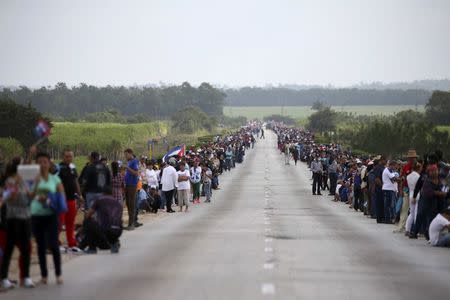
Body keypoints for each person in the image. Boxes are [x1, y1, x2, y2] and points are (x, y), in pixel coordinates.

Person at [31, 152, 64, 285]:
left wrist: (49, 198)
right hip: (37, 215)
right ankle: (44, 275)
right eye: (39, 162)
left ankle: (58, 274)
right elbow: (28, 196)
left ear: (49, 163)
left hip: (51, 215)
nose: (42, 164)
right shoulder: (34, 179)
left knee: (54, 245)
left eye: (45, 162)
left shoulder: (55, 179)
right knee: (41, 246)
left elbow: (61, 197)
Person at [0, 160, 34, 289]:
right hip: (13, 219)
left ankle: (25, 277)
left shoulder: (24, 182)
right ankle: (3, 278)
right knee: (9, 248)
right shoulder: (10, 182)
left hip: (25, 218)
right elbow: (11, 198)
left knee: (26, 248)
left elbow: (30, 197)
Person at [80, 186, 122, 254]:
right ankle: (114, 243)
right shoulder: (118, 203)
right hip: (118, 231)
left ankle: (92, 248)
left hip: (104, 231)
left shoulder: (100, 200)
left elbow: (88, 214)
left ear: (103, 193)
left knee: (88, 222)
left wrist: (83, 227)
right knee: (112, 226)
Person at [58, 149, 83, 253]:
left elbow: (75, 181)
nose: (69, 158)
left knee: (70, 223)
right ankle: (56, 243)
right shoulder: (58, 168)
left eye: (70, 156)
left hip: (72, 199)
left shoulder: (73, 167)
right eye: (67, 156)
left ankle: (71, 244)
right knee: (59, 222)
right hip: (61, 199)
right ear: (63, 157)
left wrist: (80, 195)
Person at [404, 163, 422, 235]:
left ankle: (407, 229)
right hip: (417, 195)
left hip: (411, 195)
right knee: (416, 213)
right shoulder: (418, 176)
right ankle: (415, 230)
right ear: (418, 168)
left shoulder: (408, 176)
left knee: (411, 213)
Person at [123, 149, 139, 230]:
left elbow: (136, 173)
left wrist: (127, 168)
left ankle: (132, 224)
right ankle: (130, 223)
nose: (125, 156)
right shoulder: (129, 162)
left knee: (131, 204)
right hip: (127, 185)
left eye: (126, 154)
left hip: (132, 185)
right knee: (128, 204)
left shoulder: (134, 161)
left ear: (131, 154)